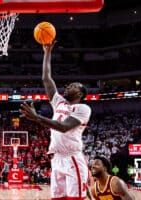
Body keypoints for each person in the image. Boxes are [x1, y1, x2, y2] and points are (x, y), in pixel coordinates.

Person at [19, 41, 91, 199]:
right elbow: (46, 79)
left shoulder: (83, 109)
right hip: (57, 159)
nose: (67, 87)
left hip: (72, 158)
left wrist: (37, 118)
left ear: (79, 94)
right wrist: (47, 53)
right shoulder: (59, 102)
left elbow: (64, 127)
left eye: (72, 86)